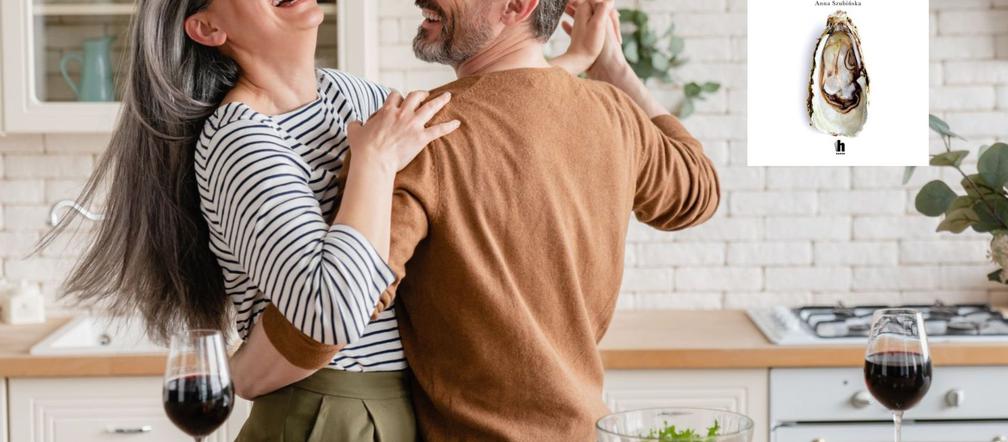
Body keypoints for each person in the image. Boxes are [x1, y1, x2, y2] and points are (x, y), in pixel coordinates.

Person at [46, 0, 612, 440]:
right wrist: (373, 164)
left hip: (399, 406)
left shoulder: (351, 95)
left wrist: (572, 61)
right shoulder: (241, 139)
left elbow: (468, 122)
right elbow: (329, 313)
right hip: (324, 411)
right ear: (209, 28)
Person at [235, 0, 722, 439]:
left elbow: (338, 310)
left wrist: (234, 376)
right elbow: (698, 191)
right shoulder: (614, 114)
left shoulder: (421, 137)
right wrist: (613, 67)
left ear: (517, 6)